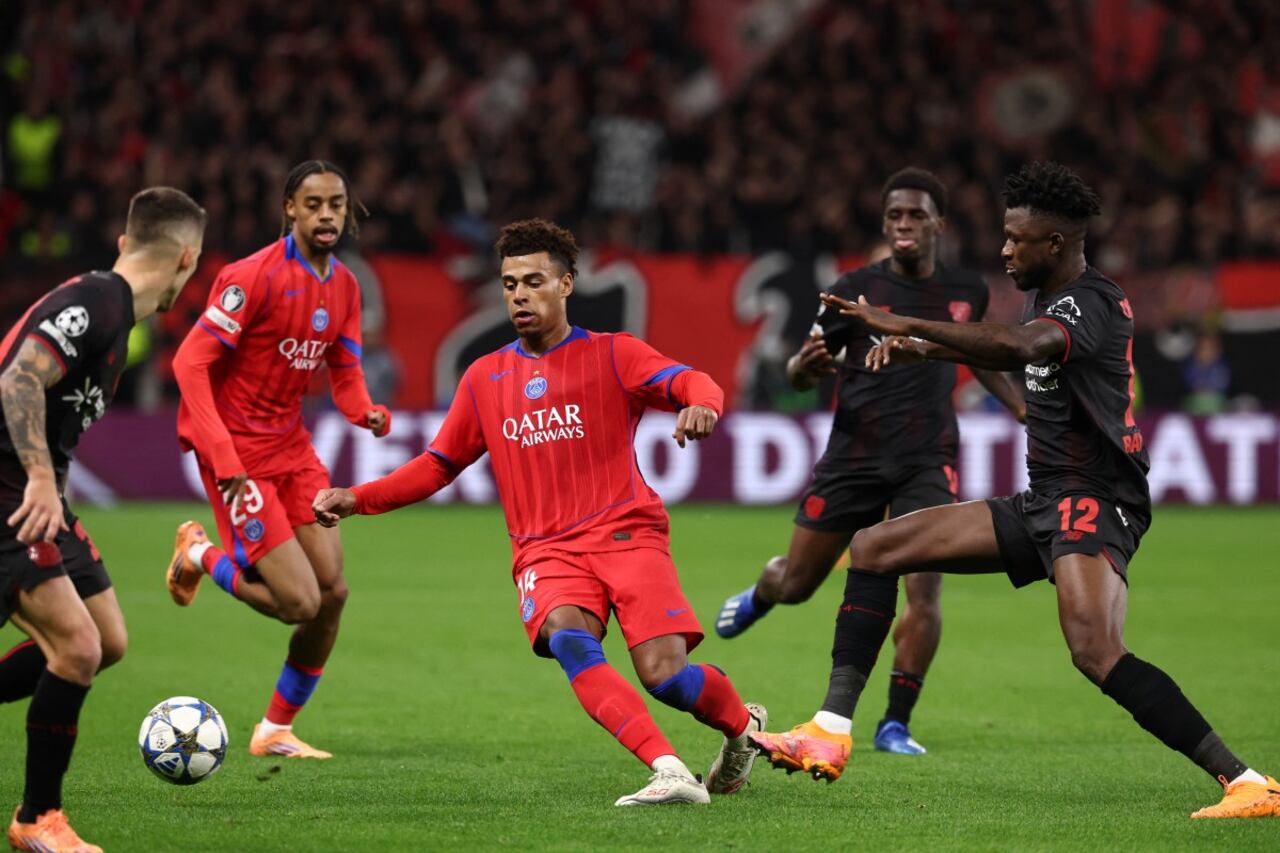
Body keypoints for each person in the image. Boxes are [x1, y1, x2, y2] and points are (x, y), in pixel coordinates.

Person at [748, 162, 1279, 820]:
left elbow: (1017, 345)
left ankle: (1248, 780)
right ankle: (828, 730)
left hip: (1094, 500)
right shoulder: (1048, 298)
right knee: (875, 546)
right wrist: (926, 351)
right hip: (1045, 501)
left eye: (1014, 238)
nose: (1002, 250)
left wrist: (901, 326)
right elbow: (1007, 344)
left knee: (1094, 650)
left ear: (1053, 244)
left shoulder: (1090, 302)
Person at [312, 218, 766, 806]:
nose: (519, 295)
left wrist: (701, 406)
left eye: (533, 281)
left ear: (567, 284)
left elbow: (691, 381)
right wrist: (358, 498)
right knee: (568, 640)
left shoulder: (614, 354)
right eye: (508, 284)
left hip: (625, 532)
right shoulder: (484, 376)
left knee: (665, 676)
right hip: (545, 550)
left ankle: (743, 729)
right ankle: (669, 769)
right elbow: (437, 465)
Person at [716, 168, 1024, 755]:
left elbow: (979, 356)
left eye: (914, 215)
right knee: (801, 583)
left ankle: (895, 722)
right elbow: (800, 368)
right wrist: (803, 369)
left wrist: (1021, 410)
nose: (903, 225)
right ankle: (763, 591)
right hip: (853, 457)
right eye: (893, 217)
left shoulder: (967, 292)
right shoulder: (853, 288)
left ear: (939, 223)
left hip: (927, 458)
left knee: (925, 591)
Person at [0, 187, 206, 852]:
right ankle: (38, 819)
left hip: (39, 492)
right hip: (8, 486)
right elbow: (17, 380)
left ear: (125, 241)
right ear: (187, 258)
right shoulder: (98, 301)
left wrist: (47, 481)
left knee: (106, 640)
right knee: (77, 648)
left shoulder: (118, 316)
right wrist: (37, 476)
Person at [166, 160, 390, 760]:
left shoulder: (343, 285)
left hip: (292, 449)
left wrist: (363, 410)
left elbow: (343, 371)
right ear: (289, 208)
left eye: (336, 205)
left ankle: (274, 730)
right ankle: (198, 552)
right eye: (313, 204)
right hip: (237, 454)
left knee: (334, 592)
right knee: (298, 602)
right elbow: (189, 362)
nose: (326, 215)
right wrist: (220, 452)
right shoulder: (252, 277)